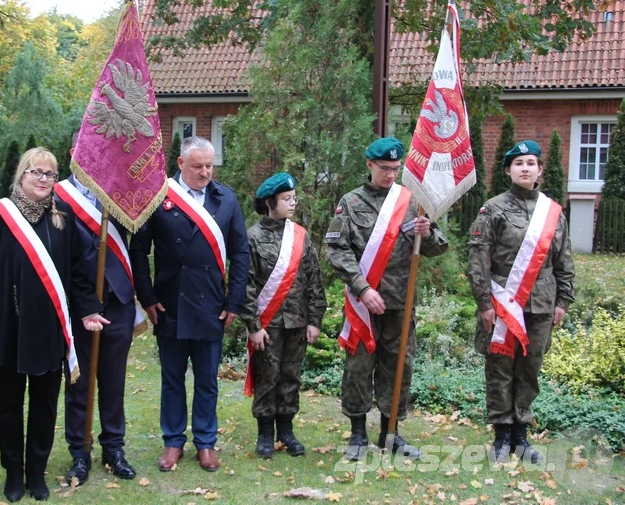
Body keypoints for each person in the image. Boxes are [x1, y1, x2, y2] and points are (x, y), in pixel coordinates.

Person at [0, 148, 106, 502]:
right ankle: (13, 473)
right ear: (21, 175)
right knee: (9, 404)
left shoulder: (63, 218)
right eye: (36, 172)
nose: (43, 179)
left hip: (47, 329)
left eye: (50, 174)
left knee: (45, 405)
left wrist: (87, 309)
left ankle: (36, 473)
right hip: (7, 328)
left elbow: (75, 272)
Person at [129, 136, 249, 473]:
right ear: (180, 164)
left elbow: (240, 252)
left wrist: (235, 300)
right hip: (170, 302)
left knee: (208, 379)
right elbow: (138, 250)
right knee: (172, 377)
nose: (205, 172)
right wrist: (147, 297)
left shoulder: (226, 199)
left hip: (212, 302)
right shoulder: (159, 197)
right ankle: (172, 441)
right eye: (198, 166)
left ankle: (206, 442)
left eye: (210, 165)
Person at [325, 137, 448, 461]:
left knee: (398, 367)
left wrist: (427, 232)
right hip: (364, 304)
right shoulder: (350, 203)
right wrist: (362, 288)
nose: (391, 175)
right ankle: (357, 435)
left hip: (400, 301)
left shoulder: (410, 201)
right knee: (359, 367)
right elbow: (337, 248)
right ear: (369, 165)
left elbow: (438, 247)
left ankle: (390, 434)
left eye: (396, 169)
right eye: (384, 169)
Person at [467, 140, 574, 464]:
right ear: (508, 171)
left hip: (540, 304)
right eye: (518, 163)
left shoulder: (553, 213)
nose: (525, 168)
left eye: (531, 163)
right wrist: (485, 303)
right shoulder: (493, 208)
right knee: (500, 369)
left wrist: (563, 301)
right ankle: (501, 435)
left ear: (540, 169)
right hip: (502, 302)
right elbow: (477, 258)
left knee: (530, 370)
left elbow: (563, 260)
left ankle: (521, 436)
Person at [57, 141, 139, 485]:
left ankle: (113, 446)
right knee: (79, 379)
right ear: (75, 157)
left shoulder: (118, 193)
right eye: (84, 154)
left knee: (113, 377)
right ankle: (79, 449)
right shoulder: (58, 195)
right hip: (78, 301)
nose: (91, 160)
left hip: (117, 299)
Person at [241, 172, 327, 459]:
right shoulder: (252, 237)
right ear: (269, 203)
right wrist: (253, 326)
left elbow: (315, 279)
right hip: (268, 324)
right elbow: (246, 285)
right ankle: (265, 432)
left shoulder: (300, 235)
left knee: (291, 376)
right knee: (268, 376)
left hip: (297, 322)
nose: (292, 204)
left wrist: (315, 320)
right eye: (286, 199)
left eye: (293, 199)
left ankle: (286, 430)